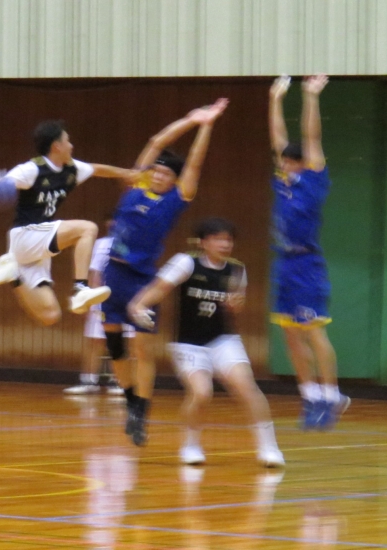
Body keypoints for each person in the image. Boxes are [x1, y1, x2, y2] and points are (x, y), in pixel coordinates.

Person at [103, 99, 228, 446]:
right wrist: (190, 118)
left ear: (174, 181)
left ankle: (141, 411)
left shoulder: (174, 200)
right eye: (156, 171)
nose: (158, 175)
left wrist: (206, 127)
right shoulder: (134, 185)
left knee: (142, 349)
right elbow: (157, 141)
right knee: (114, 345)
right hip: (114, 275)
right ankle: (131, 400)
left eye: (166, 174)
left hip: (142, 281)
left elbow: (195, 164)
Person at [129, 218, 284, 467]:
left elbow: (237, 303)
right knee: (201, 393)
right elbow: (159, 288)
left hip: (222, 339)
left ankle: (269, 448)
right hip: (188, 343)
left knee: (246, 386)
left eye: (228, 240)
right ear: (203, 242)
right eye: (218, 239)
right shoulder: (185, 263)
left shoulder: (236, 269)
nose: (225, 244)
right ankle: (191, 444)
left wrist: (236, 304)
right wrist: (138, 305)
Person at [0, 120, 136, 325]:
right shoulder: (31, 169)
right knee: (87, 229)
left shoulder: (71, 169)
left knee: (50, 315)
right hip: (26, 235)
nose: (71, 146)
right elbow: (5, 184)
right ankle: (81, 288)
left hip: (35, 246)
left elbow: (96, 169)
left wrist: (126, 174)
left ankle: (13, 275)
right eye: (67, 141)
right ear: (57, 146)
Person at [268, 74, 349, 431]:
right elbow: (278, 139)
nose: (286, 164)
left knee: (314, 332)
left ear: (304, 164)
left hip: (307, 263)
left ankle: (332, 396)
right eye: (284, 161)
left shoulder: (313, 180)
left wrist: (311, 95)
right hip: (284, 264)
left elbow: (311, 138)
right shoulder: (282, 181)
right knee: (290, 333)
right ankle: (310, 395)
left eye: (292, 161)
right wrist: (274, 99)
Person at [64, 217, 134, 396]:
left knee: (120, 341)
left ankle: (121, 383)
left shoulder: (134, 243)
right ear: (108, 224)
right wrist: (92, 301)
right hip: (102, 297)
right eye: (112, 221)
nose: (115, 224)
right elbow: (95, 272)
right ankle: (88, 381)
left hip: (125, 299)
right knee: (94, 341)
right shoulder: (101, 244)